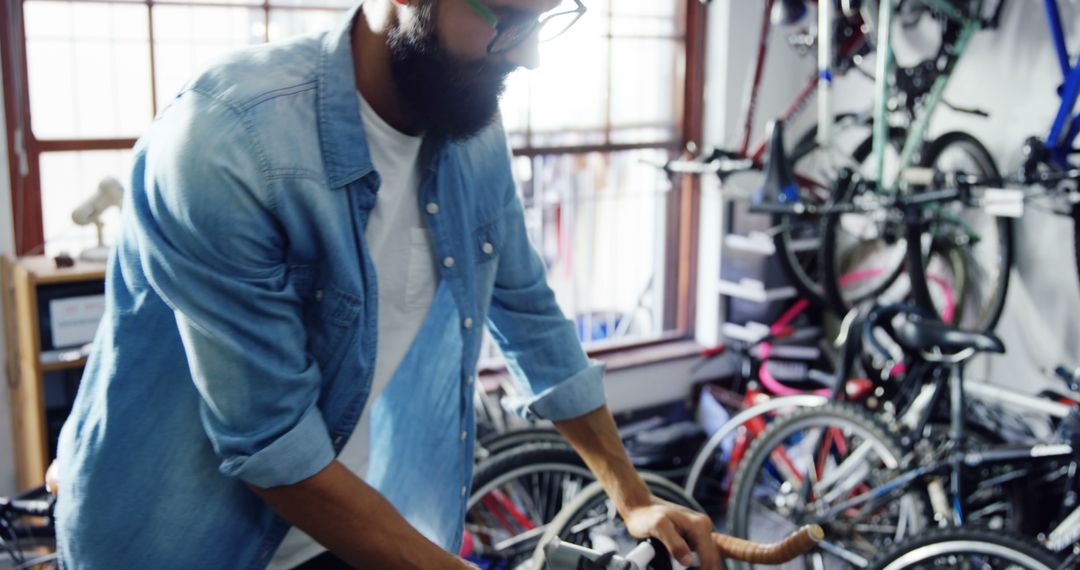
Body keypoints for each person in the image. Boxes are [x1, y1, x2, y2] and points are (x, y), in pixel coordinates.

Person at [53, 0, 728, 568]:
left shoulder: (471, 129)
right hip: (174, 539)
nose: (528, 58)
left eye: (546, 17)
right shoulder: (227, 142)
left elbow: (530, 316)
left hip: (338, 524)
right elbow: (271, 442)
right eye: (508, 16)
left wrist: (633, 497)